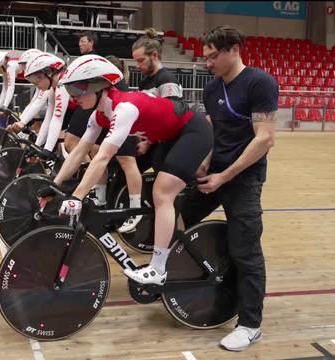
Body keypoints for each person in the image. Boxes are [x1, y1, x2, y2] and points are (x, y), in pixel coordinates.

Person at [43, 54, 212, 290]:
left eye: (78, 91)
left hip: (192, 131)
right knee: (162, 195)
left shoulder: (124, 108)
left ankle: (158, 269)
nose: (74, 98)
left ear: (99, 87)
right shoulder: (99, 114)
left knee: (162, 193)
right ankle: (179, 242)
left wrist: (77, 197)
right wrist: (56, 182)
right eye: (71, 91)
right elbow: (80, 150)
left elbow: (102, 157)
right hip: (166, 137)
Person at [181, 25, 278, 352]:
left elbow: (265, 138)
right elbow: (217, 133)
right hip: (216, 174)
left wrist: (226, 175)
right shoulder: (211, 89)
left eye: (212, 57)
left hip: (244, 179)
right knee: (177, 216)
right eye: (205, 57)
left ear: (233, 49)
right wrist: (206, 161)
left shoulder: (258, 83)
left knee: (245, 250)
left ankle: (250, 325)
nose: (206, 63)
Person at [113, 28, 187, 233]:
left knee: (165, 192)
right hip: (151, 141)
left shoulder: (167, 79)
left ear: (154, 56)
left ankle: (177, 233)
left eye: (141, 60)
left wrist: (149, 141)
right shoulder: (146, 80)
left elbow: (171, 116)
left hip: (167, 142)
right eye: (135, 61)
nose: (138, 66)